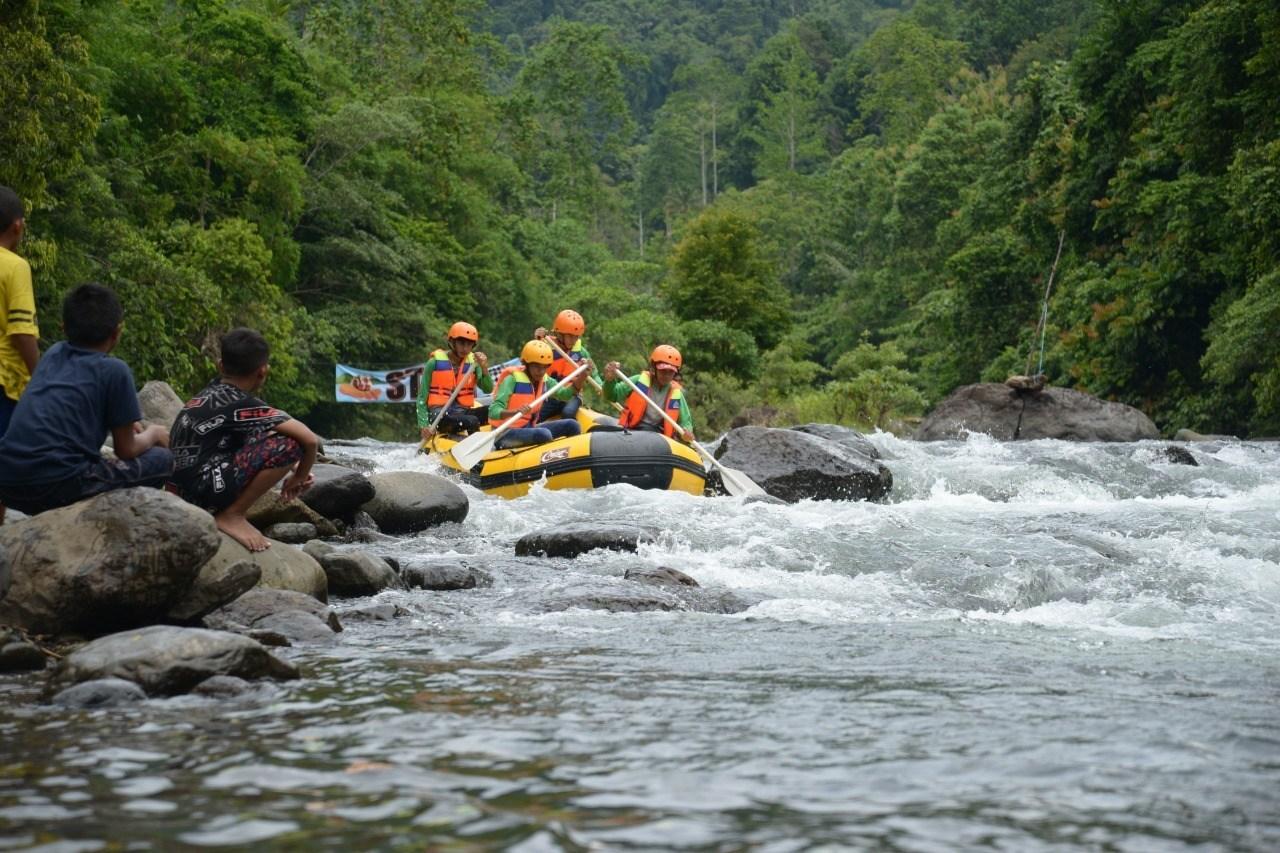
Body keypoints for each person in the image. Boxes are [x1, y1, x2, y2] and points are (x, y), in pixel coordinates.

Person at [0, 284, 172, 516]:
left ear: (64, 328)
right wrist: (154, 434)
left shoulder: (53, 354)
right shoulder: (115, 370)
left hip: (8, 481)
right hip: (57, 486)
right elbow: (126, 450)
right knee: (162, 459)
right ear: (116, 333)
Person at [168, 328, 319, 552]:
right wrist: (299, 476)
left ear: (220, 365)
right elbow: (309, 440)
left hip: (177, 491)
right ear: (262, 371)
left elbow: (253, 435)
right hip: (201, 493)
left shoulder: (212, 391)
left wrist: (296, 468)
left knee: (265, 433)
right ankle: (232, 515)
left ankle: (228, 512)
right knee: (291, 445)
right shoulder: (241, 403)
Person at [0, 187, 40, 524]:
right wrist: (41, 376)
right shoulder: (15, 267)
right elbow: (21, 331)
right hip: (5, 381)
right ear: (18, 226)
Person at [489, 340, 586, 450]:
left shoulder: (545, 380)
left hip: (529, 428)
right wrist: (515, 412)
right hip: (504, 433)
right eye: (537, 367)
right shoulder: (511, 380)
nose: (541, 371)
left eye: (545, 367)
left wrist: (582, 376)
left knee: (572, 425)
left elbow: (565, 395)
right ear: (527, 363)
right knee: (544, 434)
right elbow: (493, 412)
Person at [602, 345, 695, 443]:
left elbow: (686, 422)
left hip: (658, 435)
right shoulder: (638, 380)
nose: (666, 375)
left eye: (671, 372)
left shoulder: (676, 393)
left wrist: (686, 432)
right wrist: (609, 380)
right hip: (633, 430)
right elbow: (613, 395)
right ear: (654, 368)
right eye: (663, 370)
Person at [417, 321, 492, 438]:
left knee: (493, 411)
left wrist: (483, 366)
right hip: (439, 415)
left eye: (469, 344)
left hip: (462, 412)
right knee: (472, 421)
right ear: (452, 342)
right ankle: (475, 449)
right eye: (461, 343)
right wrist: (423, 425)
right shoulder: (434, 363)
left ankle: (496, 444)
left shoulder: (474, 364)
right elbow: (422, 398)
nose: (465, 348)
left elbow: (488, 389)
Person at [533, 309, 601, 423]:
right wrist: (537, 339)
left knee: (568, 412)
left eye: (576, 337)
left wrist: (599, 385)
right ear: (559, 334)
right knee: (535, 417)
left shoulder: (581, 352)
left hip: (573, 395)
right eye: (570, 336)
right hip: (551, 395)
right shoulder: (546, 346)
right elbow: (532, 357)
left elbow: (594, 373)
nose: (573, 340)